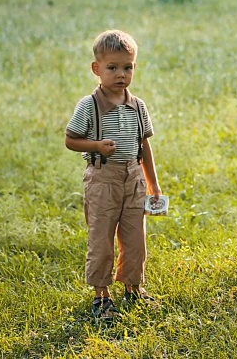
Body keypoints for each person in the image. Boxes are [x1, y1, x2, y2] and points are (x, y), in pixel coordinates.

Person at [65, 29, 163, 319]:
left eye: (127, 67)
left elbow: (143, 145)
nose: (121, 74)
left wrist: (153, 186)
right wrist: (96, 145)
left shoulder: (137, 106)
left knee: (135, 238)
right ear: (97, 69)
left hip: (133, 178)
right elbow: (71, 139)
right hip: (103, 178)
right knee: (102, 238)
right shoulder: (89, 105)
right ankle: (101, 295)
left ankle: (133, 287)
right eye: (112, 67)